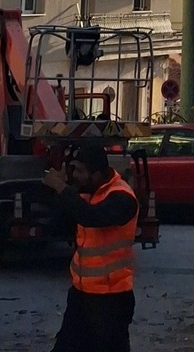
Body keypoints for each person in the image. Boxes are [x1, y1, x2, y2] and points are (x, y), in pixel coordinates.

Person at [40, 138, 139, 352]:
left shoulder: (122, 197)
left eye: (80, 171)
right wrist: (58, 191)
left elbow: (90, 216)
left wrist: (62, 188)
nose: (76, 175)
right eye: (73, 169)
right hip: (82, 295)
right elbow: (58, 224)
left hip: (111, 299)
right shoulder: (86, 192)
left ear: (97, 174)